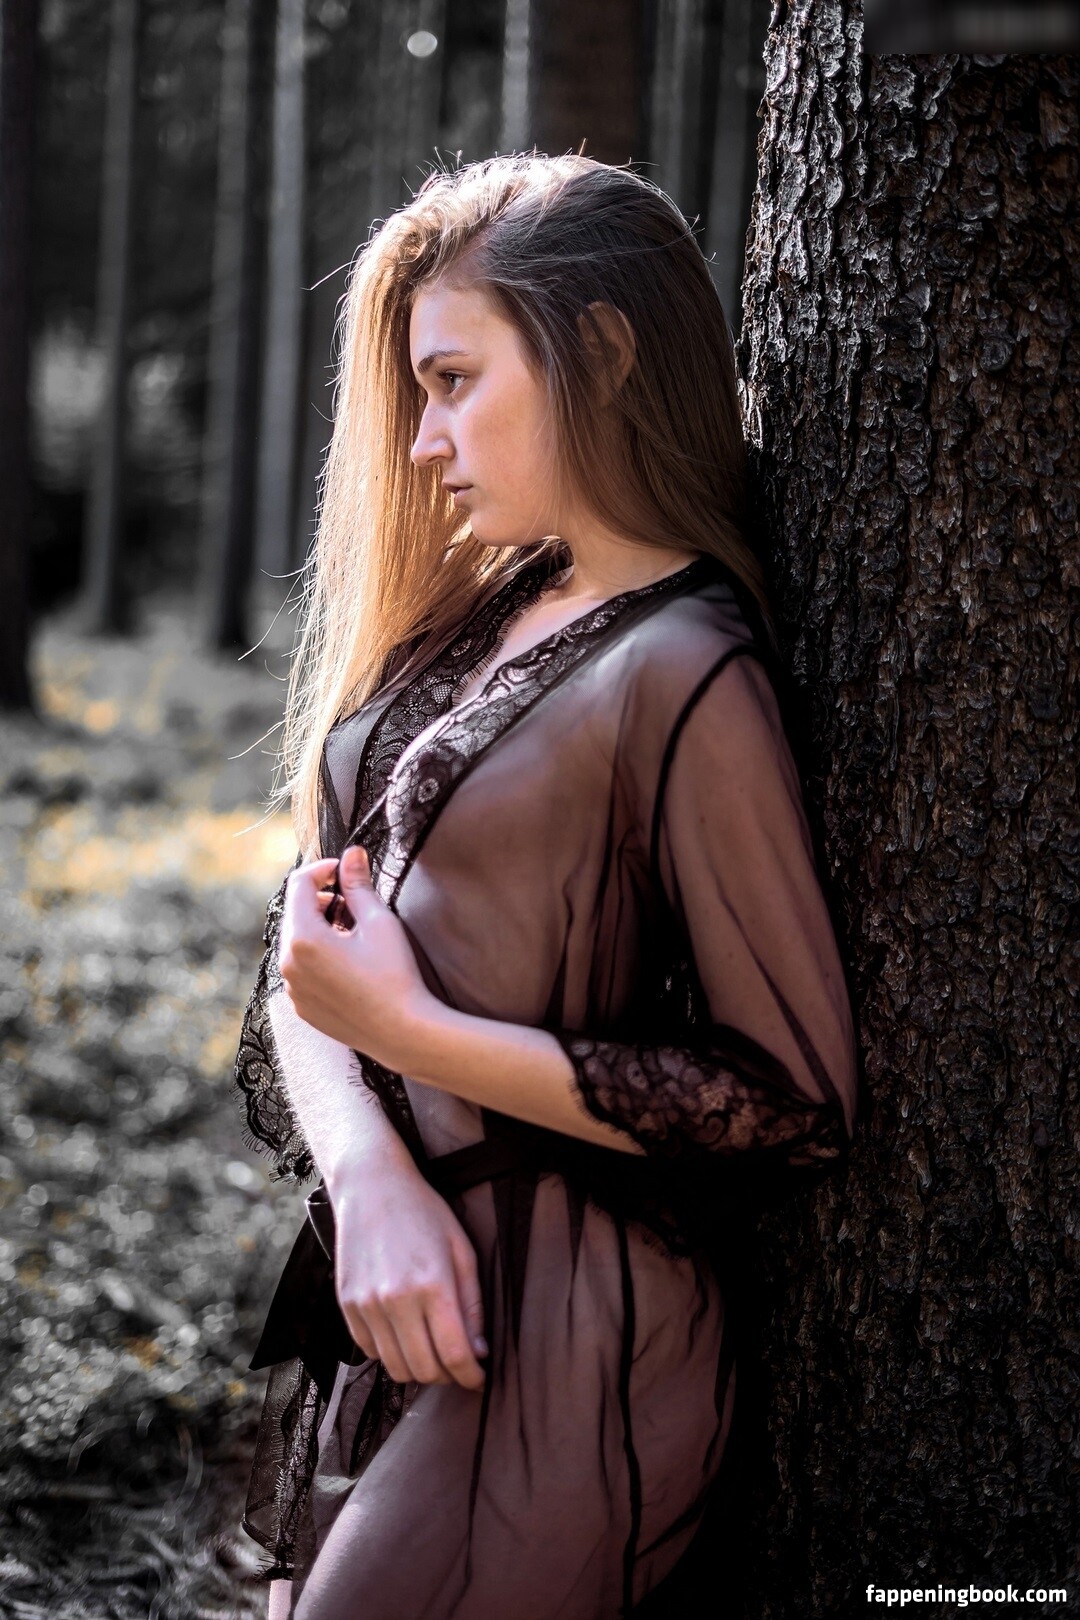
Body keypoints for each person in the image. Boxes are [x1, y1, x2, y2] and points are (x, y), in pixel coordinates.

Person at [232, 151, 859, 1620]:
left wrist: (418, 1036)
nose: (423, 441)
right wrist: (369, 1177)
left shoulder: (688, 668)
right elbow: (313, 947)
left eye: (455, 382)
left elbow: (790, 1096)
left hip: (571, 1345)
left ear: (606, 352)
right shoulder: (498, 607)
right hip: (407, 1285)